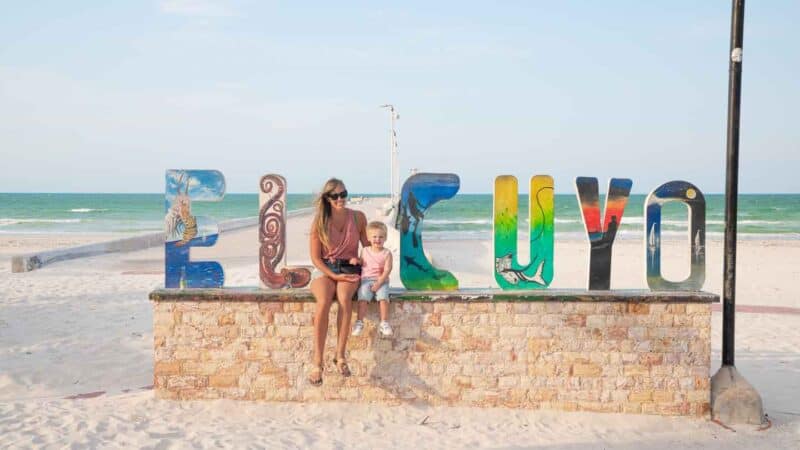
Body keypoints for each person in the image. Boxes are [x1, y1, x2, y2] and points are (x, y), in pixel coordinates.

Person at [307, 178, 368, 386]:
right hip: (326, 269)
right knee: (323, 301)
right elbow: (315, 258)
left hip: (350, 269)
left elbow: (368, 248)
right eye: (335, 196)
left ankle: (340, 356)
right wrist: (334, 276)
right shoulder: (319, 221)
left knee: (344, 298)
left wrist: (361, 260)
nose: (340, 198)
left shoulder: (358, 218)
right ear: (327, 198)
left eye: (343, 194)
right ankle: (317, 362)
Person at [352, 221, 394, 337]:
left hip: (382, 280)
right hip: (366, 280)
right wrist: (356, 261)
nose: (377, 239)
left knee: (383, 298)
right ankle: (359, 322)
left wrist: (379, 283)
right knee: (363, 298)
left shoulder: (387, 253)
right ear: (369, 238)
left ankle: (384, 323)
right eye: (374, 237)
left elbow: (387, 270)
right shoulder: (365, 250)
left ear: (385, 238)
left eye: (381, 237)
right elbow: (362, 262)